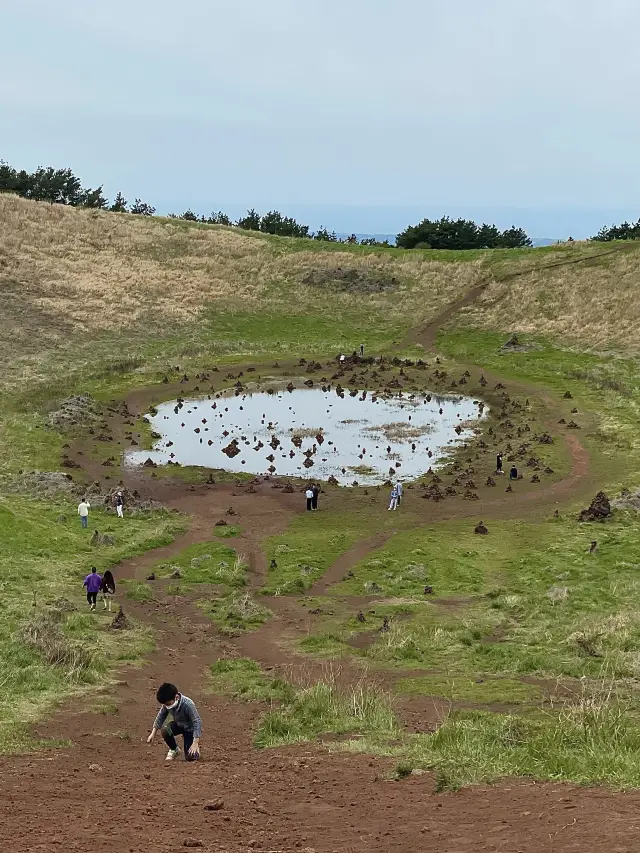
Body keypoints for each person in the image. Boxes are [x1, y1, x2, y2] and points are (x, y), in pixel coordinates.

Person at [147, 683, 202, 762]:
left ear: (176, 697)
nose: (166, 706)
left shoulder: (188, 704)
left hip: (190, 729)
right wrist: (153, 733)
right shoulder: (166, 704)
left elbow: (197, 721)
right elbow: (161, 716)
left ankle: (195, 751)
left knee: (191, 757)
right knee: (166, 730)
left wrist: (195, 743)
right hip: (178, 725)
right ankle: (174, 749)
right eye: (165, 704)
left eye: (168, 704)